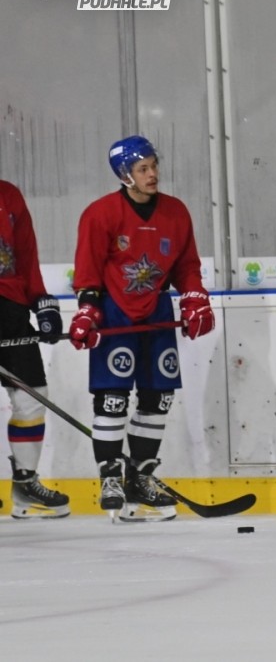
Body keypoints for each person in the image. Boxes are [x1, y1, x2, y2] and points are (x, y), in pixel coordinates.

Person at [70, 135, 215, 521]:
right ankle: (111, 478)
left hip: (158, 312)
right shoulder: (100, 214)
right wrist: (87, 311)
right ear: (125, 174)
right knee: (112, 399)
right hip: (115, 313)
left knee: (158, 398)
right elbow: (87, 270)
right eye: (143, 168)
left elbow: (186, 265)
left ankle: (140, 477)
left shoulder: (175, 212)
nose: (153, 174)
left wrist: (195, 298)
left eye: (154, 165)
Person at [0, 179, 70, 518]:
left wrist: (41, 301)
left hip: (11, 309)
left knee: (32, 396)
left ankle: (25, 484)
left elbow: (26, 254)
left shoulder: (9, 194)